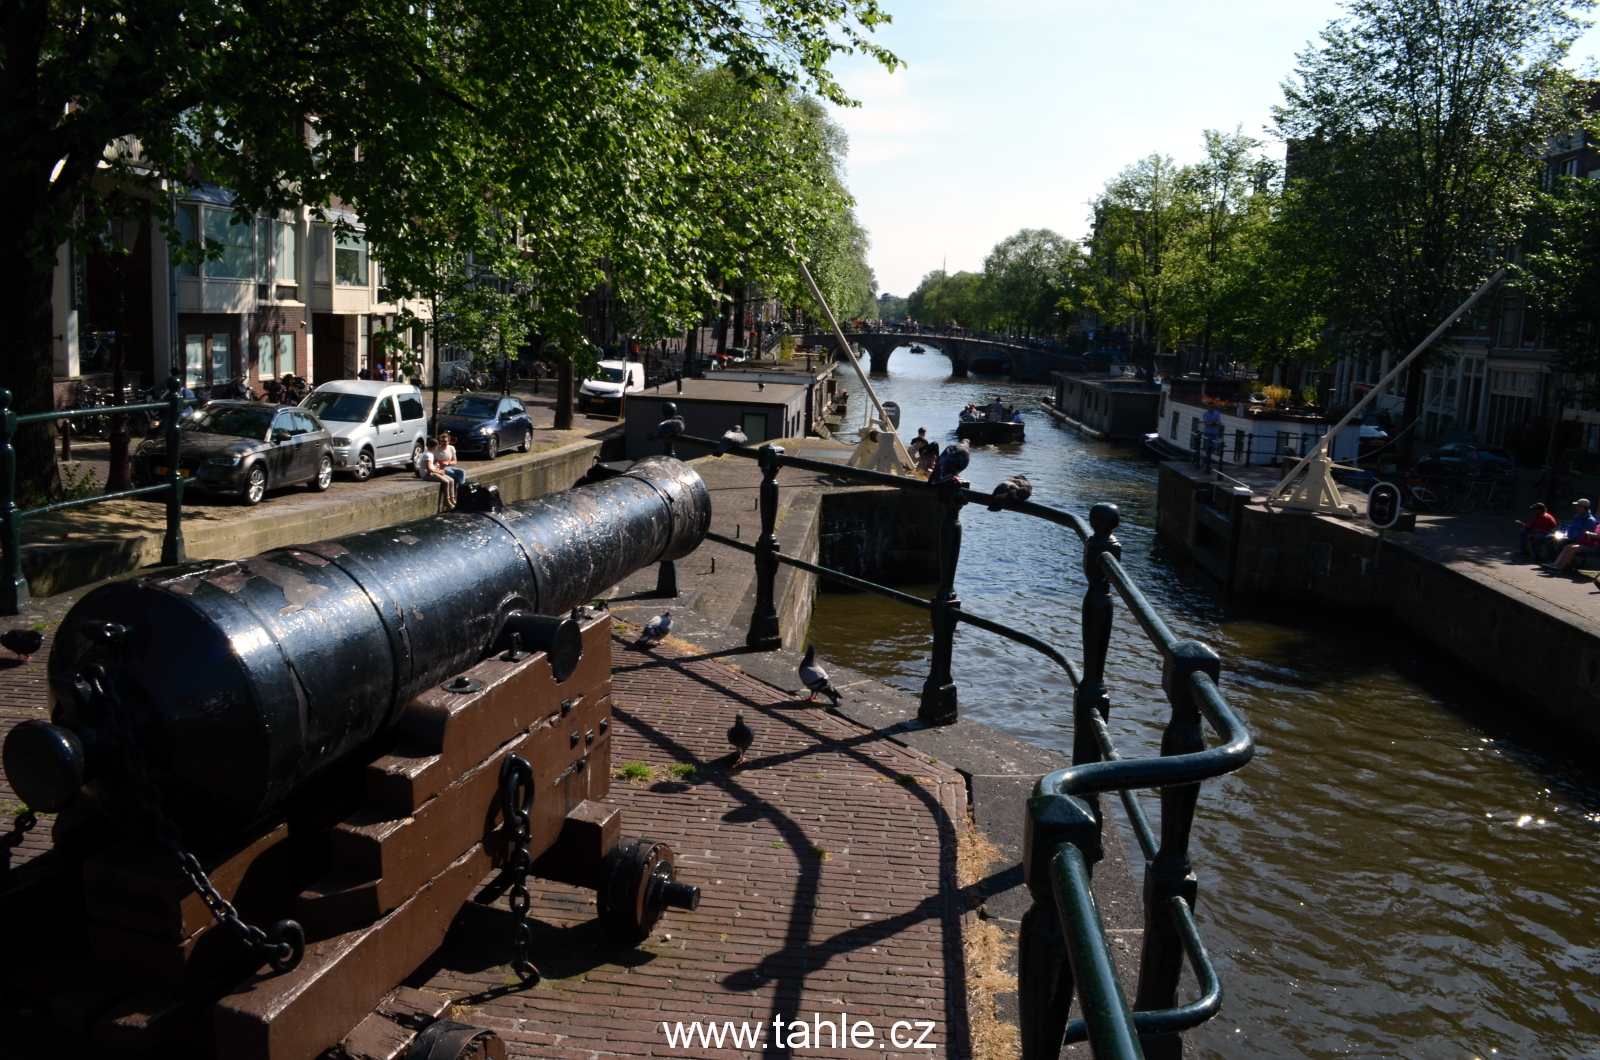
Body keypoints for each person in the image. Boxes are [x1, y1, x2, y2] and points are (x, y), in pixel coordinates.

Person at [418, 436, 455, 507]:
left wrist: (438, 470)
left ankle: (452, 498)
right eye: (437, 446)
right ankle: (446, 500)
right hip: (427, 475)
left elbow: (432, 467)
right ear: (435, 446)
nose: (437, 448)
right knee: (446, 482)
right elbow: (429, 469)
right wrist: (439, 472)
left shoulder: (430, 453)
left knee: (451, 480)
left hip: (433, 472)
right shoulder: (427, 455)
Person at [1201, 405, 1223, 469]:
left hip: (1214, 432)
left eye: (1213, 407)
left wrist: (1213, 423)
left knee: (1214, 447)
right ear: (1208, 407)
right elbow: (1206, 423)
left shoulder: (1217, 413)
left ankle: (1205, 458)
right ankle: (1207, 459)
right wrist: (1215, 423)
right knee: (1207, 446)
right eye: (1210, 407)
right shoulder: (1205, 414)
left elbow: (1218, 422)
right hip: (1207, 432)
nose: (1212, 408)